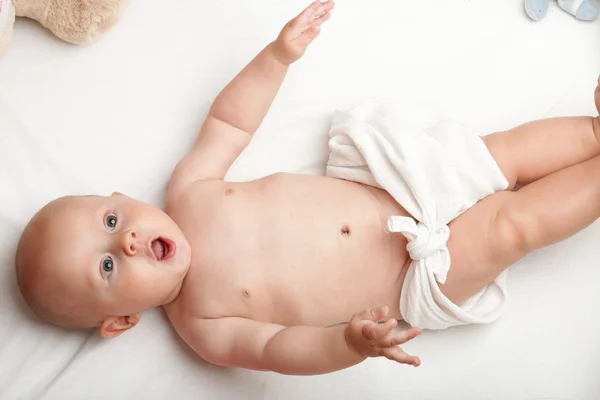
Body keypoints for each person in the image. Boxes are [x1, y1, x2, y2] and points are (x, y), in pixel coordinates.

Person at [15, 0, 600, 376]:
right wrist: (348, 345)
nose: (131, 243)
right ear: (120, 322)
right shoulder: (205, 326)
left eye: (112, 224)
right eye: (109, 270)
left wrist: (276, 57)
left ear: (120, 200)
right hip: (414, 275)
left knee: (504, 152)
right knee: (511, 225)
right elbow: (277, 350)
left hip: (396, 186)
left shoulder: (189, 190)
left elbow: (230, 124)